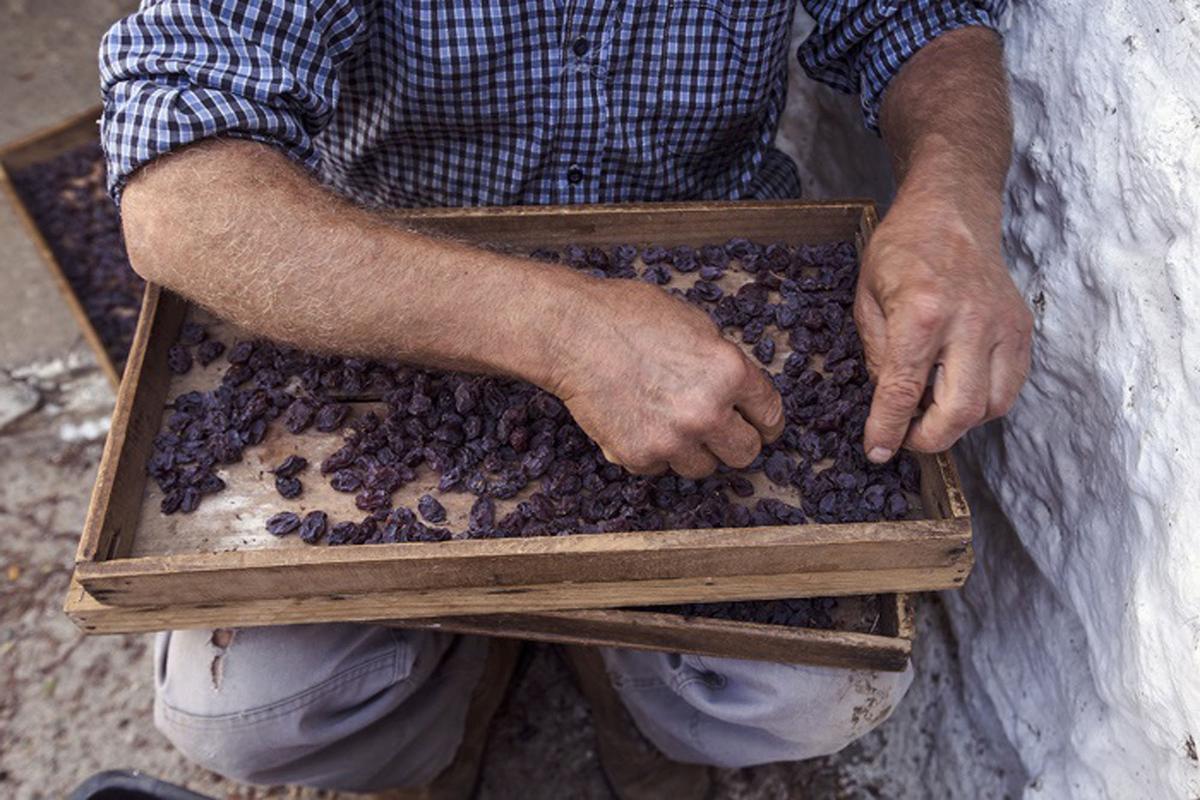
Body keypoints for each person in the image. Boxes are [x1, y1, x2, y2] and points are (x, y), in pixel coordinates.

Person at [100, 1, 1032, 796]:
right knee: (248, 715)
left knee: (815, 695)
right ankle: (455, 680)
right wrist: (562, 331)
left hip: (708, 298)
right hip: (393, 303)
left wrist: (951, 197)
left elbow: (918, 18)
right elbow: (178, 189)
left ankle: (625, 681)